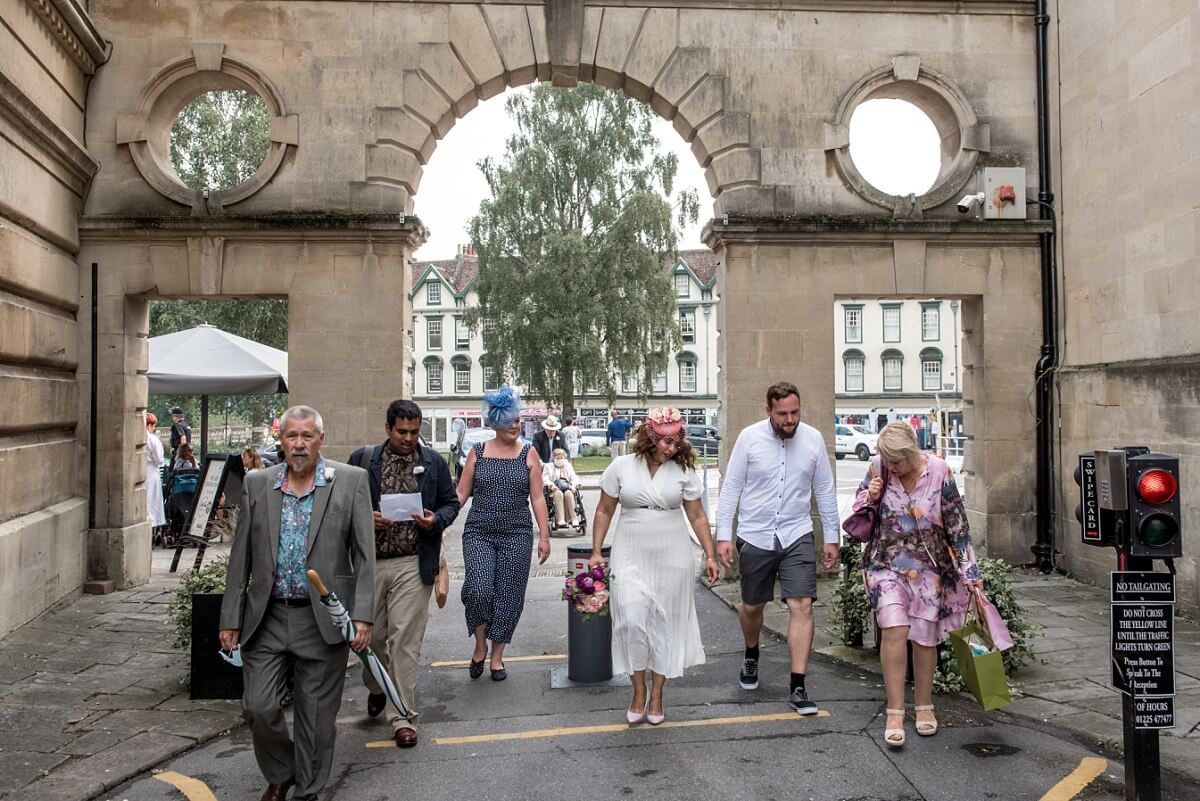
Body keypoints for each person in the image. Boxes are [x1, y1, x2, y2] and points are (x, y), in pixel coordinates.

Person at [218, 406, 375, 801]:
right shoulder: (258, 484)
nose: (299, 444)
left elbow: (364, 556)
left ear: (321, 438)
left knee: (317, 721)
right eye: (292, 436)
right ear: (282, 440)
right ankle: (283, 770)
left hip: (322, 619)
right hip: (266, 617)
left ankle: (308, 790)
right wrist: (230, 617)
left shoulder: (351, 481)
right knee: (257, 706)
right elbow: (241, 559)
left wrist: (362, 616)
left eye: (307, 436)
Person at [851, 422, 981, 747]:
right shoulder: (879, 466)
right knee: (894, 630)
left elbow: (957, 525)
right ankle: (895, 710)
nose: (892, 467)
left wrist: (972, 574)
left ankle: (924, 705)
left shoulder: (938, 471)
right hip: (885, 564)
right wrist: (871, 495)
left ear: (911, 452)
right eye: (888, 461)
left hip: (928, 569)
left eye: (897, 461)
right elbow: (857, 508)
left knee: (924, 638)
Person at [715, 381, 839, 715]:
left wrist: (831, 537)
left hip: (797, 533)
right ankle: (751, 651)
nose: (790, 419)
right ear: (768, 410)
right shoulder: (749, 438)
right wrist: (724, 535)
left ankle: (798, 685)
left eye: (795, 412)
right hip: (755, 535)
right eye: (782, 413)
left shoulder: (812, 440)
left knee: (802, 605)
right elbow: (731, 490)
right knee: (752, 606)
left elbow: (825, 490)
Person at [589, 407, 719, 725]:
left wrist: (711, 554)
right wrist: (595, 551)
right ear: (649, 438)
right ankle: (637, 689)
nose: (670, 448)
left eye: (675, 442)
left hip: (673, 553)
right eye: (664, 441)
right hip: (630, 551)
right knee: (631, 619)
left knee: (666, 624)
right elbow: (604, 511)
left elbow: (698, 515)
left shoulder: (683, 471)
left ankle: (658, 693)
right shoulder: (621, 467)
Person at [349, 399, 461, 748]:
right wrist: (366, 517)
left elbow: (451, 503)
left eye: (414, 432)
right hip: (370, 564)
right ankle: (378, 685)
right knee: (373, 639)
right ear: (387, 429)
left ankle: (403, 716)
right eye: (402, 431)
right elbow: (343, 507)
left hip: (414, 563)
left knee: (405, 642)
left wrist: (435, 520)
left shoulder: (433, 463)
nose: (409, 438)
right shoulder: (363, 461)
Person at [455, 385, 552, 681]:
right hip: (479, 532)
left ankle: (497, 656)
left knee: (509, 595)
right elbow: (460, 494)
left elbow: (537, 498)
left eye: (517, 419)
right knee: (479, 589)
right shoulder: (478, 453)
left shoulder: (529, 453)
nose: (515, 425)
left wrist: (544, 536)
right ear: (495, 420)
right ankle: (480, 645)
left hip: (517, 534)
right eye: (509, 419)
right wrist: (438, 519)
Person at [542, 448, 580, 528]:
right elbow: (545, 478)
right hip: (554, 490)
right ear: (553, 458)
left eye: (561, 458)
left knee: (569, 494)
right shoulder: (548, 466)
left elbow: (574, 477)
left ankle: (574, 519)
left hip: (567, 488)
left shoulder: (568, 466)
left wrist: (573, 486)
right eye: (557, 458)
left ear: (564, 458)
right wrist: (551, 485)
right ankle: (560, 519)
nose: (560, 460)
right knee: (559, 494)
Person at [145, 412, 166, 532]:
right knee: (152, 502)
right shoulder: (153, 439)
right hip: (152, 473)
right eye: (153, 425)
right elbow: (159, 460)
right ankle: (152, 526)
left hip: (142, 471)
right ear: (149, 425)